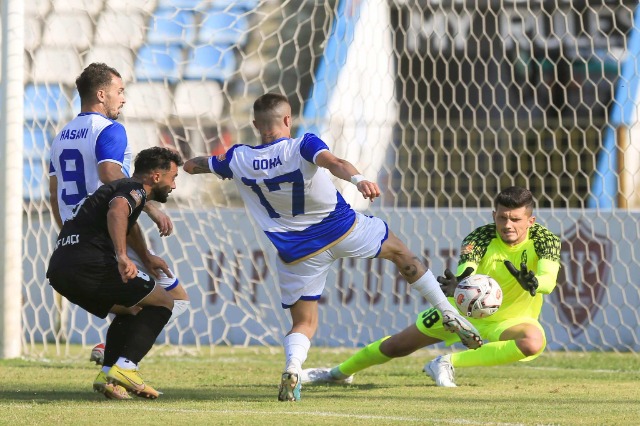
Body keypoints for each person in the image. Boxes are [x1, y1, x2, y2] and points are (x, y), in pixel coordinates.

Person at [182, 93, 483, 402]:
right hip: (343, 229)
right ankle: (446, 311)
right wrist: (359, 180)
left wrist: (183, 162)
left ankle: (293, 368)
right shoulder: (302, 144)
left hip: (297, 252)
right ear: (288, 120)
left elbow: (195, 165)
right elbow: (335, 163)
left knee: (304, 322)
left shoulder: (237, 158)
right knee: (401, 254)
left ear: (255, 124)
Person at [300, 186, 561, 388]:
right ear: (494, 215)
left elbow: (548, 279)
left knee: (532, 341)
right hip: (461, 312)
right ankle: (337, 374)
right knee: (396, 347)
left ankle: (445, 362)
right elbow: (466, 269)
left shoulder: (545, 241)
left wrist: (537, 283)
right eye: (502, 218)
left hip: (510, 320)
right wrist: (459, 282)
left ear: (531, 220)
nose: (507, 225)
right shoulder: (481, 236)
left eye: (515, 219)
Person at [47, 63, 190, 368]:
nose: (123, 98)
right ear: (101, 94)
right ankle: (120, 366)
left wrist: (69, 233)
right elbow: (109, 172)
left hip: (78, 236)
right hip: (111, 227)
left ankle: (113, 368)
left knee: (134, 307)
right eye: (119, 91)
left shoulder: (60, 138)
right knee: (175, 299)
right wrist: (147, 203)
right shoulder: (110, 130)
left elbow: (53, 192)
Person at [47, 147, 183, 399]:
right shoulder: (134, 190)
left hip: (59, 270)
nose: (173, 186)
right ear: (156, 177)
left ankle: (108, 374)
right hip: (89, 264)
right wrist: (121, 256)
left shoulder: (117, 188)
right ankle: (127, 367)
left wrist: (145, 258)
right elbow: (118, 212)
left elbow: (127, 223)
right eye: (172, 178)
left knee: (132, 308)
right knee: (166, 301)